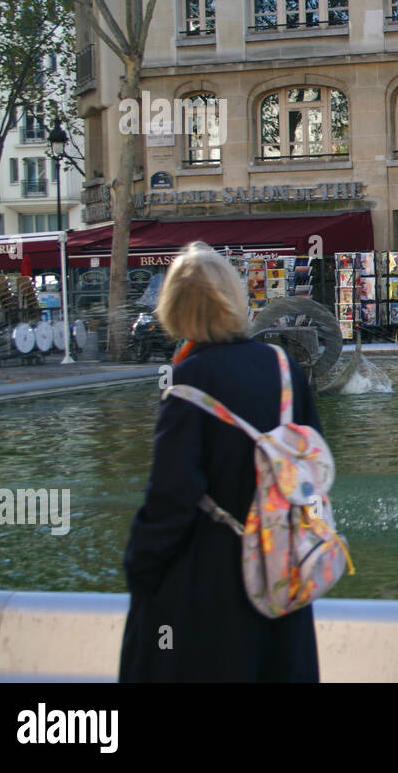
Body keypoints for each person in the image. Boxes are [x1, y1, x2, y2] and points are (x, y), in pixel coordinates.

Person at [119, 242, 321, 682]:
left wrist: (139, 564)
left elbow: (172, 497)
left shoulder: (187, 382)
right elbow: (312, 467)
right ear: (234, 297)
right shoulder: (283, 367)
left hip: (211, 582)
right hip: (281, 573)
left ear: (174, 307)